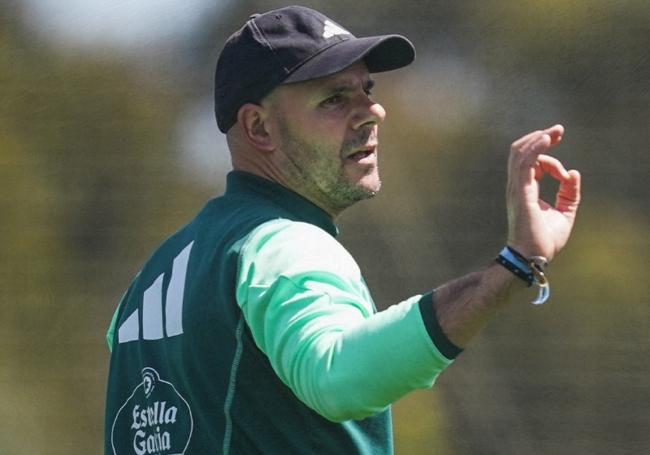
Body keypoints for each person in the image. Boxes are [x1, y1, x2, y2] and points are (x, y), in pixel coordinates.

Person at [104, 5, 581, 454]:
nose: (372, 112)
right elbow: (336, 377)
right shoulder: (282, 245)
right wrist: (511, 267)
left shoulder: (153, 276)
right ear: (259, 128)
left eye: (366, 90)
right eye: (334, 99)